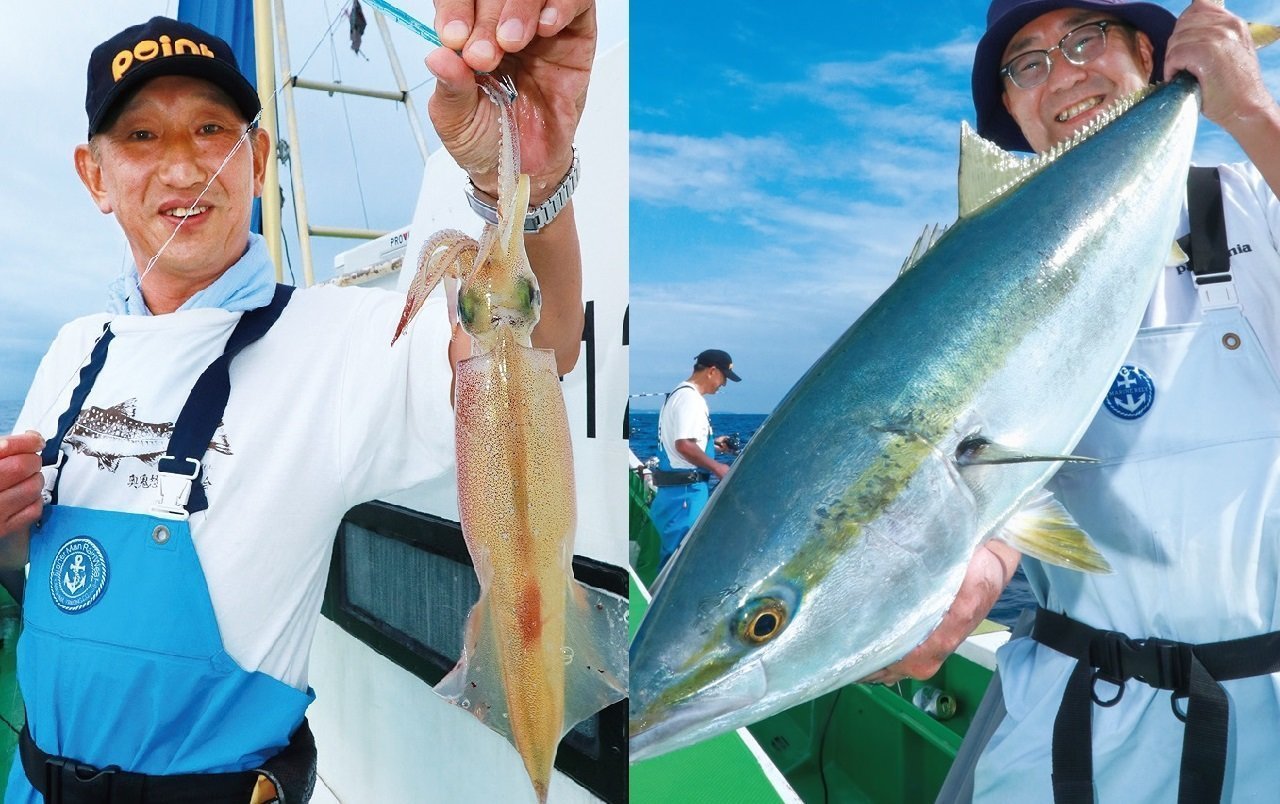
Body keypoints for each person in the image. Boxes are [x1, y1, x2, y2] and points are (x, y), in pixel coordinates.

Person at [0, 2, 596, 801]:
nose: (182, 168)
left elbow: (537, 347)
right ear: (95, 175)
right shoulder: (77, 348)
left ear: (258, 156)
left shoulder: (341, 342)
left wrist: (531, 182)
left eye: (212, 130)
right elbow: (36, 568)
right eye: (142, 136)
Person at [863, 0, 1280, 801]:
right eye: (1027, 63)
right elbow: (1006, 477)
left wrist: (1250, 108)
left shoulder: (1253, 203)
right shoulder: (970, 288)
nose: (1061, 72)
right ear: (1012, 110)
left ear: (1149, 57)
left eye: (1086, 38)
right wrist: (976, 570)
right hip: (1072, 718)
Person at [649, 348, 741, 568]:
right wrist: (718, 468)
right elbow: (684, 445)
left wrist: (714, 447)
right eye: (724, 378)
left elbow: (681, 444)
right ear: (712, 371)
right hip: (685, 494)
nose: (723, 385)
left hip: (674, 492)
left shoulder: (679, 394)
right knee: (679, 558)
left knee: (668, 551)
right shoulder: (691, 399)